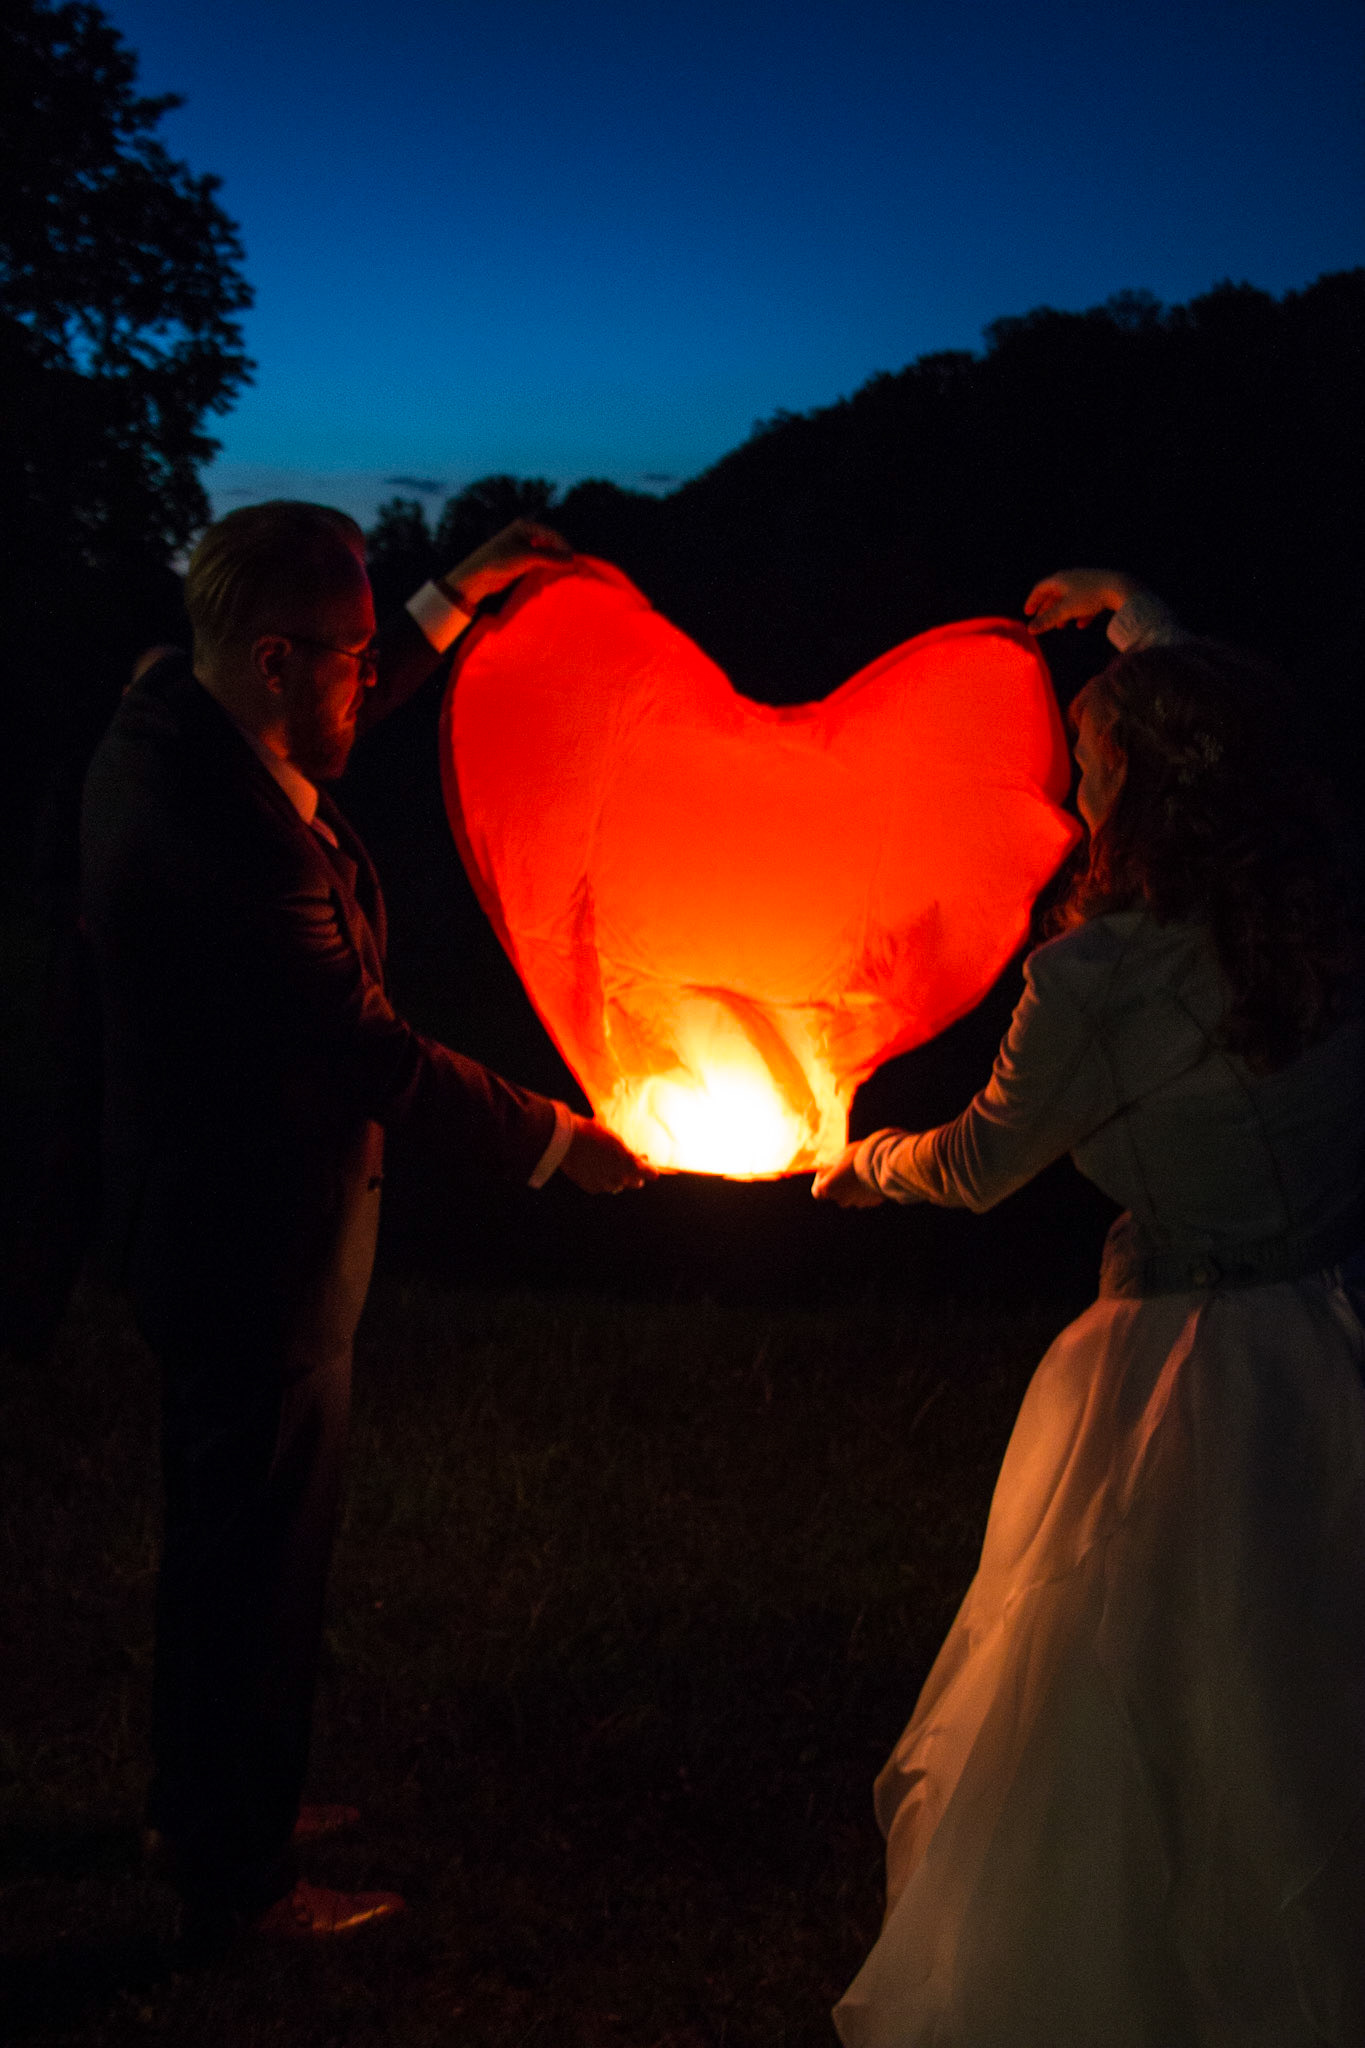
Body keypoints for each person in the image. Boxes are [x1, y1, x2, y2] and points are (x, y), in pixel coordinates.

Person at [80, 501, 653, 1947]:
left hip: (193, 1221)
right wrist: (558, 1143)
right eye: (350, 657)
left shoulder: (171, 711)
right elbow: (370, 1050)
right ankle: (240, 1878)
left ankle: (202, 1805)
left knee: (223, 1541)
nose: (369, 679)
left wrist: (469, 582)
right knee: (259, 1562)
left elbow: (357, 691)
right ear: (277, 661)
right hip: (250, 1249)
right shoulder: (236, 848)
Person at [814, 568, 1365, 2044]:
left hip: (1190, 1376)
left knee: (1157, 1686)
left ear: (1136, 786)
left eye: (1088, 759)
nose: (1069, 784)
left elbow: (981, 1162)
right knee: (1314, 1676)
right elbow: (1244, 740)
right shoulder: (1319, 906)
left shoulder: (1095, 976)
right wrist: (1143, 622)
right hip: (1334, 1332)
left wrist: (862, 1163)